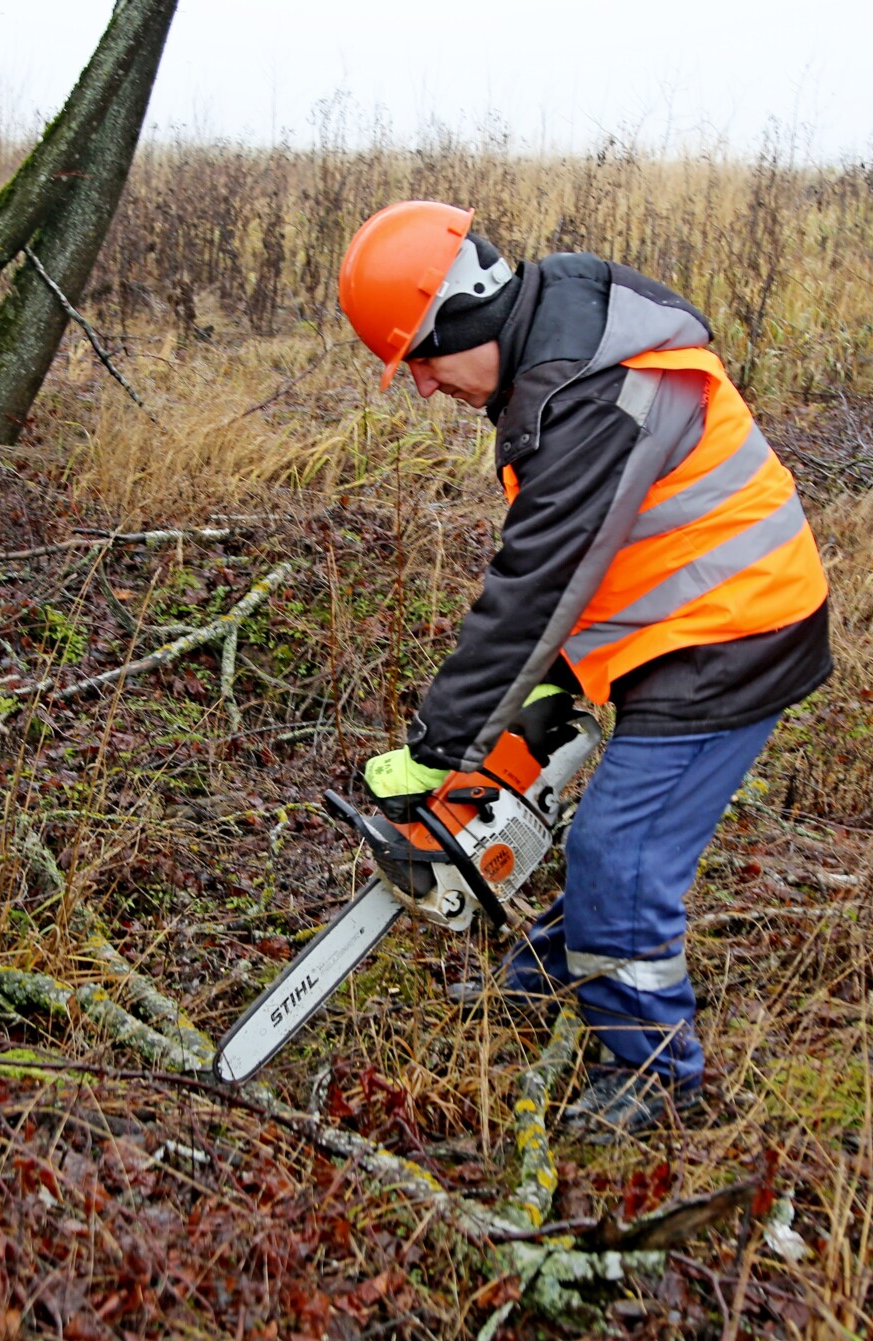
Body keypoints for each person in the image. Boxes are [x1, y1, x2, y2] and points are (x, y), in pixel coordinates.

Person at [336, 200, 832, 1141]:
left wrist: (443, 746)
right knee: (592, 814)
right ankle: (568, 964)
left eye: (423, 363)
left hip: (736, 629)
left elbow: (536, 582)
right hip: (679, 612)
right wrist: (542, 696)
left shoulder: (588, 397)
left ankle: (652, 1066)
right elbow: (589, 555)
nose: (425, 389)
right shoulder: (554, 349)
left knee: (620, 849)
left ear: (462, 322)